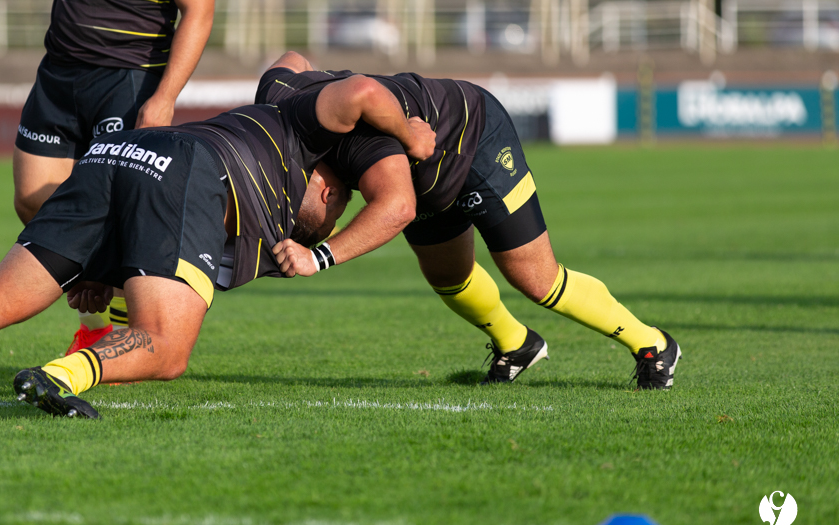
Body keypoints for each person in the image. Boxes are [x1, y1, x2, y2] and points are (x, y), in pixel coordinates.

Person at [0, 76, 437, 419]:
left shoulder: (271, 115)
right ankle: (61, 374)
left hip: (117, 155)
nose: (332, 204)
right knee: (165, 348)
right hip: (189, 166)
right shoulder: (303, 128)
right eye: (336, 199)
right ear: (323, 179)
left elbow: (150, 236)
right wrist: (408, 128)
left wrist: (100, 270)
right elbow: (359, 89)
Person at [257, 52, 680, 390]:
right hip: (420, 178)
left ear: (320, 188)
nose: (341, 203)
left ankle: (653, 344)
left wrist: (320, 257)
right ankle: (517, 344)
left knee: (536, 279)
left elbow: (396, 207)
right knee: (448, 276)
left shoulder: (350, 147)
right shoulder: (276, 105)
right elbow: (294, 58)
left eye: (331, 210)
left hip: (473, 136)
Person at [12, 0, 216, 354]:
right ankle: (96, 282)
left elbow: (198, 12)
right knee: (33, 199)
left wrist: (165, 98)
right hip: (59, 72)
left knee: (115, 207)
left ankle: (117, 334)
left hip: (126, 79)